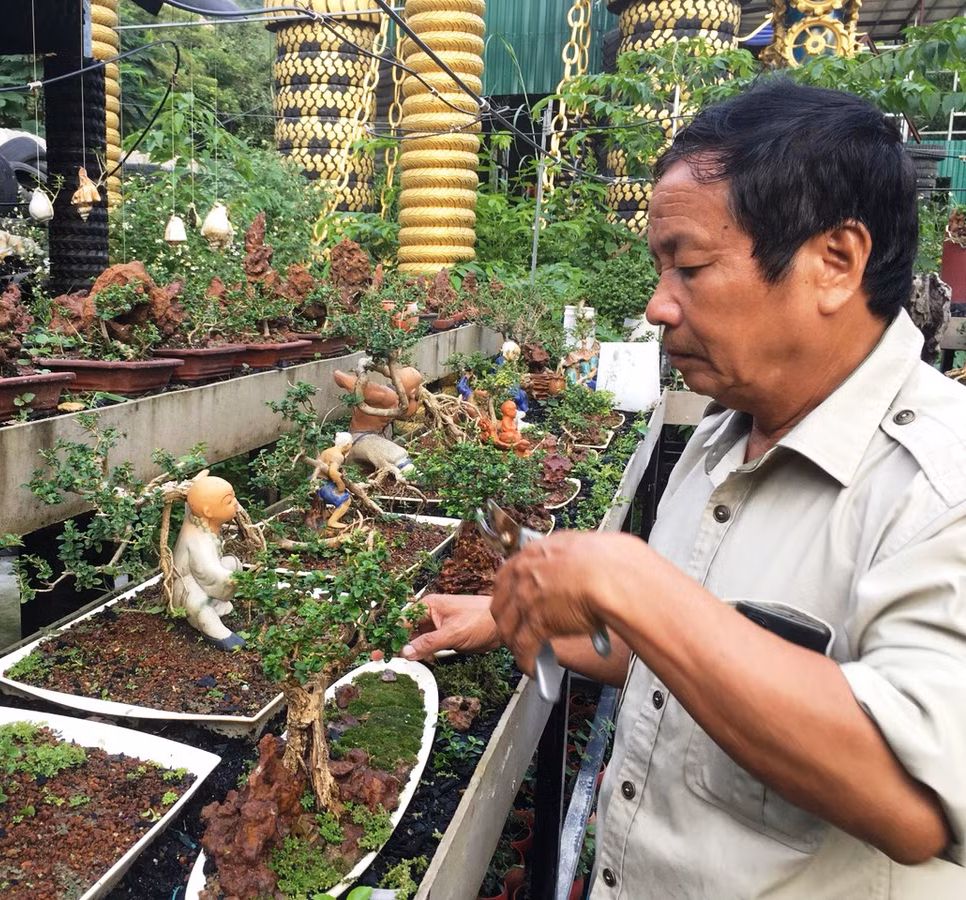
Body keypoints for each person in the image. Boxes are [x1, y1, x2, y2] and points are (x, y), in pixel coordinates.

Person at [404, 80, 966, 898]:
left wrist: (632, 583)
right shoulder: (719, 438)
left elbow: (913, 798)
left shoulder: (939, 486)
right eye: (659, 268)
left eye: (691, 267)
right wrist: (512, 620)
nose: (658, 305)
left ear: (835, 263)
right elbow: (678, 659)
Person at [171, 474, 245, 650]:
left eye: (234, 496)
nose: (235, 503)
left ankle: (219, 603)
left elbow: (192, 504)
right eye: (228, 501)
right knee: (199, 604)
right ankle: (219, 633)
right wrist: (232, 580)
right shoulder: (198, 539)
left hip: (203, 578)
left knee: (233, 563)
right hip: (186, 586)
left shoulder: (199, 519)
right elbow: (208, 572)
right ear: (208, 512)